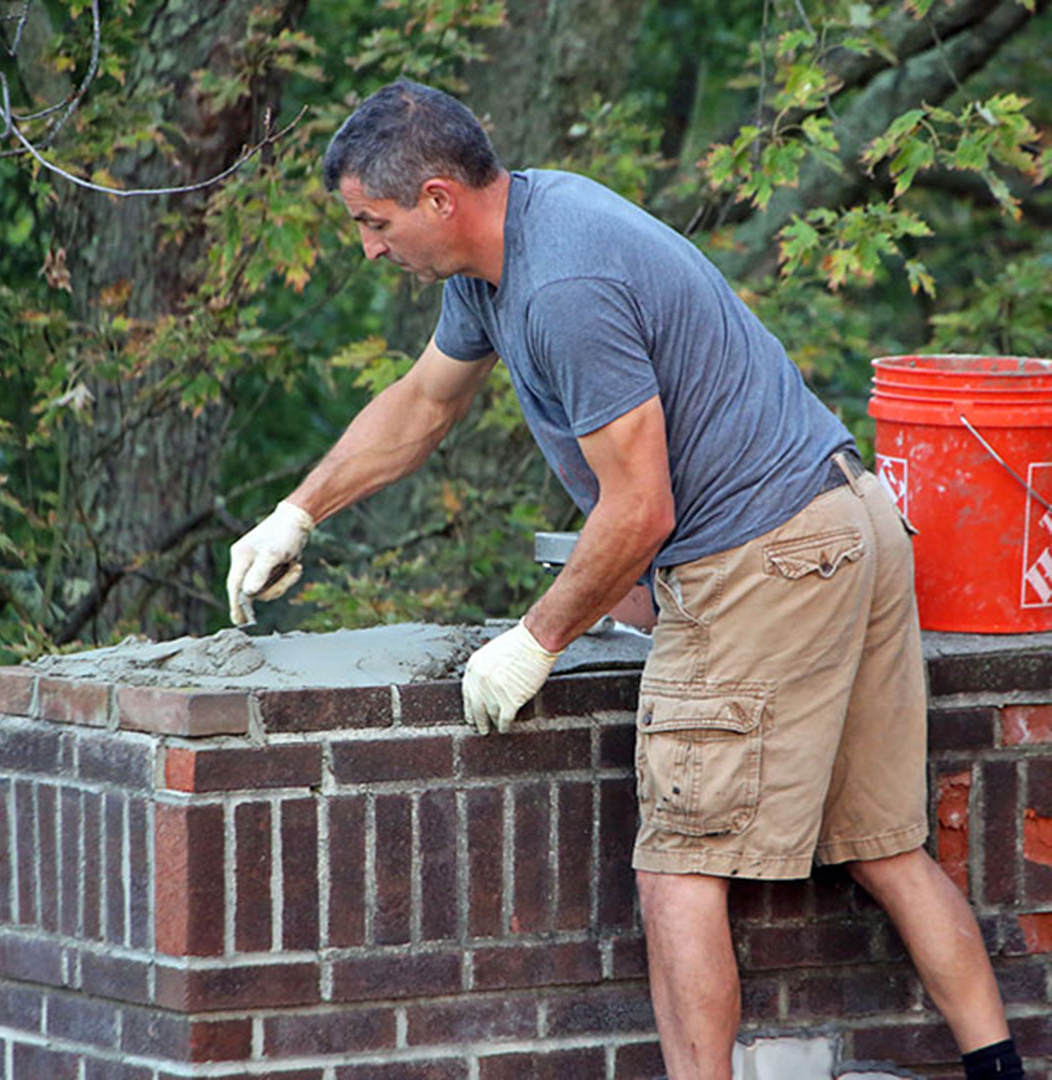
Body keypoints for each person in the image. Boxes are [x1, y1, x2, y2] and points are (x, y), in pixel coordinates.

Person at [225, 79, 1024, 1080]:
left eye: (372, 224)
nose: (370, 248)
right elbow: (425, 401)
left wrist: (534, 640)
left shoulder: (562, 290)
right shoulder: (508, 244)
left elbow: (641, 511)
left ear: (438, 199)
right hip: (847, 519)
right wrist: (298, 511)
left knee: (678, 869)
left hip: (765, 560)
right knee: (883, 845)